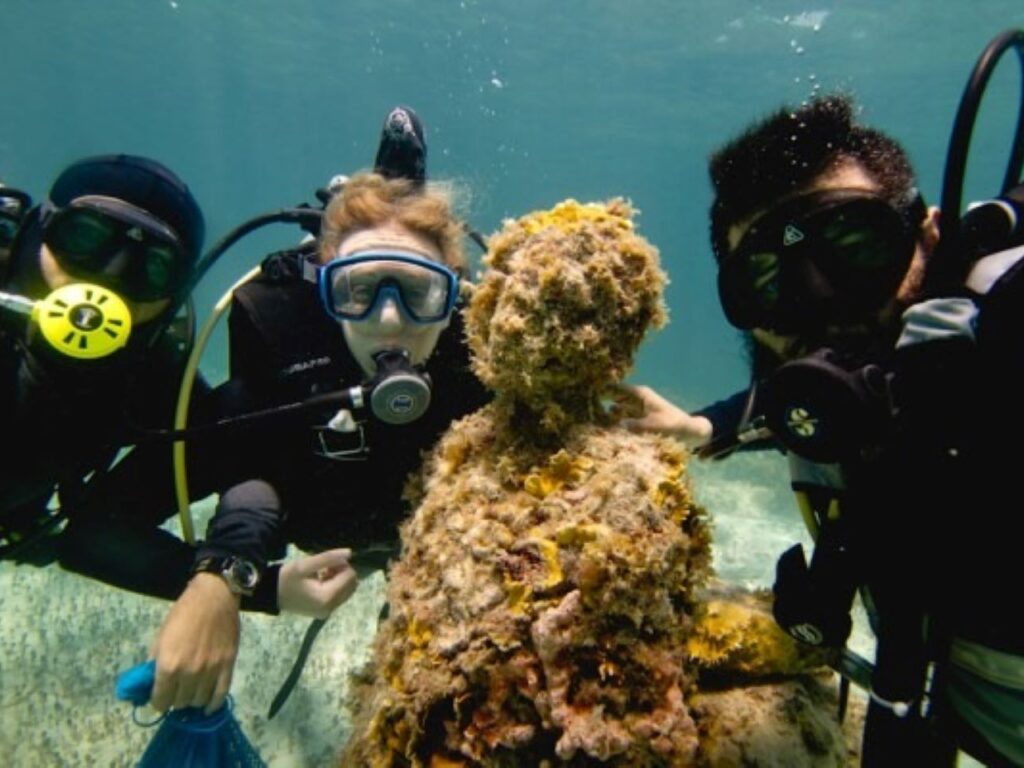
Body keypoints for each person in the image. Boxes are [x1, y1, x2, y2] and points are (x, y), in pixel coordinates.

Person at [621, 93, 1022, 766]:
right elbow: (794, 401)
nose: (824, 307)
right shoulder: (830, 405)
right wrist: (699, 425)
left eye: (856, 250)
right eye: (771, 282)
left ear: (930, 238)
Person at [148, 118, 490, 713]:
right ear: (322, 292)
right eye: (357, 290)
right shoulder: (283, 341)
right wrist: (224, 576)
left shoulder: (485, 357)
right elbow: (253, 463)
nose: (389, 320)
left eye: (420, 291)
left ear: (454, 296)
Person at [1, 154, 211, 564]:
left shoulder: (160, 386)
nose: (109, 276)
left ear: (173, 296)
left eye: (152, 266)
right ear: (36, 231)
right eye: (85, 238)